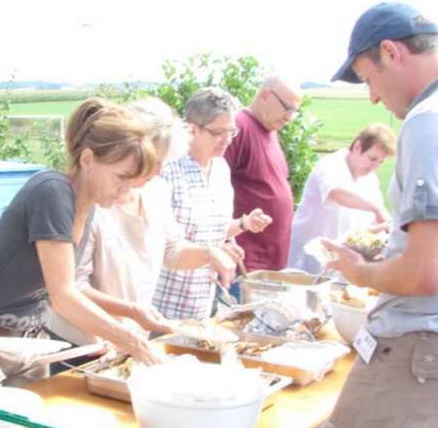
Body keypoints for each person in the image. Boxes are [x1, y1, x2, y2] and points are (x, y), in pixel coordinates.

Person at [0, 97, 172, 395]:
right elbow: (64, 296)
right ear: (87, 160)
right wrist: (130, 340)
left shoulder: (91, 205)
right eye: (121, 176)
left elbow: (73, 286)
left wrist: (131, 313)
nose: (127, 188)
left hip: (28, 339)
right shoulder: (52, 192)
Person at [301, 2, 438, 428]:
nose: (374, 98)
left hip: (418, 349)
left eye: (368, 79)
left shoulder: (426, 121)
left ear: (391, 51)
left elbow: (424, 272)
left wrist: (361, 271)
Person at [45, 96, 238, 350]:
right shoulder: (92, 201)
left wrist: (209, 254)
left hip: (129, 337)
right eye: (151, 162)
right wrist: (133, 314)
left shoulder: (157, 191)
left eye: (163, 162)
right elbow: (73, 287)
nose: (157, 171)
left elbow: (172, 250)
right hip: (81, 342)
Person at [153, 88, 271, 320]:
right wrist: (211, 253)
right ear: (192, 129)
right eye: (218, 132)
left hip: (202, 306)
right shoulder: (167, 170)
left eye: (232, 132)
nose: (226, 140)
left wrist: (243, 225)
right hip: (162, 307)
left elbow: (213, 229)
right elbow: (161, 243)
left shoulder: (221, 169)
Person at [288, 123, 395, 274]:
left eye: (381, 162)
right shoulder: (330, 165)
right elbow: (335, 193)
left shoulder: (370, 179)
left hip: (342, 267)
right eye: (372, 158)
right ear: (357, 146)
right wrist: (375, 208)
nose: (374, 166)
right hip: (308, 262)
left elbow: (372, 225)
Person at [224, 76, 302, 271]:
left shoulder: (271, 130)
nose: (289, 117)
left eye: (294, 112)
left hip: (270, 260)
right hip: (245, 261)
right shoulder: (238, 128)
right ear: (265, 95)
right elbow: (213, 188)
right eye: (286, 108)